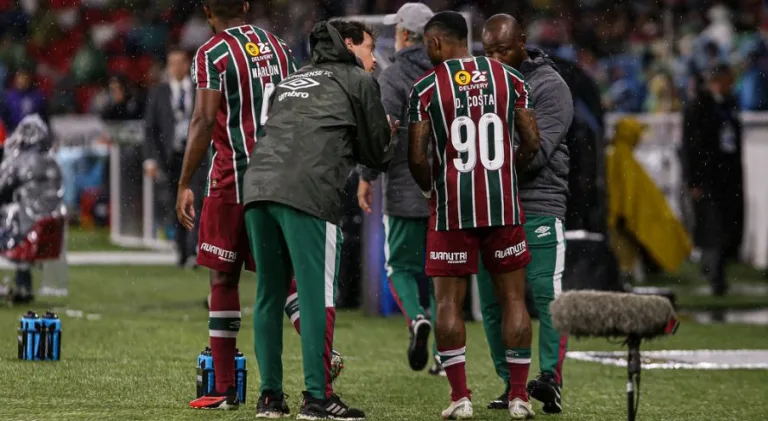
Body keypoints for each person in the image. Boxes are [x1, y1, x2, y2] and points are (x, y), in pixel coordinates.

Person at [242, 20, 395, 420]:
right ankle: (317, 397)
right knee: (316, 299)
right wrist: (389, 133)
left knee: (268, 296)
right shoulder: (357, 81)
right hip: (307, 190)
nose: (374, 59)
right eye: (368, 48)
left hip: (257, 187)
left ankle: (270, 399)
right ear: (348, 45)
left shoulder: (292, 79)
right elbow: (378, 155)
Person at [408, 11, 541, 420]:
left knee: (448, 302)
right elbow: (533, 141)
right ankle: (519, 396)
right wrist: (506, 171)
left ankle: (460, 397)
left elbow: (416, 156)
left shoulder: (426, 87)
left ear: (434, 43)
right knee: (514, 299)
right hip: (502, 206)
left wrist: (432, 187)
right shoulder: (511, 79)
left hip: (452, 209)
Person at [177, 0, 304, 410]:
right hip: (280, 177)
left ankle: (226, 389)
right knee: (281, 275)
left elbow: (202, 119)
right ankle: (323, 353)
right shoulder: (280, 47)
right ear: (246, 5)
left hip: (233, 180)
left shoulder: (211, 53)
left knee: (222, 279)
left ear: (207, 11)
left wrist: (183, 183)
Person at [479, 14, 573, 415]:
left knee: (547, 296)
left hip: (538, 204)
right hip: (491, 207)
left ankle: (550, 379)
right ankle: (513, 384)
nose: (496, 59)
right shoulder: (480, 84)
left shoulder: (550, 86)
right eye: (488, 52)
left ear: (522, 42)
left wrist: (483, 157)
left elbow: (535, 156)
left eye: (503, 50)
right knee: (492, 302)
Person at [355, 2, 442, 375]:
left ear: (405, 35)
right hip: (448, 193)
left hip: (405, 190)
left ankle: (417, 319)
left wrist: (365, 176)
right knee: (444, 275)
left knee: (400, 269)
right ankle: (446, 354)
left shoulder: (392, 78)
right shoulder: (448, 73)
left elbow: (382, 134)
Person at [681, 64, 744, 296]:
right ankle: (716, 277)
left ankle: (712, 270)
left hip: (727, 178)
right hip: (708, 178)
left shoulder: (728, 105)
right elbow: (690, 147)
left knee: (724, 225)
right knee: (712, 226)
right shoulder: (698, 106)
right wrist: (693, 180)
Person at [144, 45, 201, 268]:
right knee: (176, 204)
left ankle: (194, 249)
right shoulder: (158, 92)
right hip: (171, 158)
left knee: (199, 202)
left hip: (197, 156)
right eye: (172, 63)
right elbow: (150, 128)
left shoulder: (200, 89)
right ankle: (183, 251)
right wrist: (150, 159)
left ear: (187, 65)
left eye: (180, 62)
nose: (177, 67)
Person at [0, 115, 64, 304]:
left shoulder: (19, 160)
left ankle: (19, 284)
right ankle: (23, 284)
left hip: (25, 226)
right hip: (51, 226)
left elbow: (2, 187)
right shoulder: (53, 161)